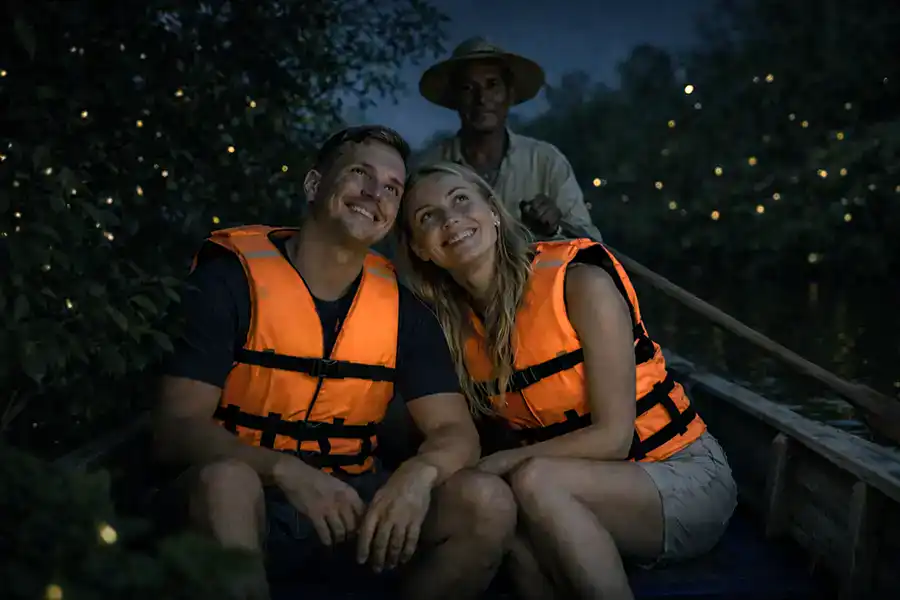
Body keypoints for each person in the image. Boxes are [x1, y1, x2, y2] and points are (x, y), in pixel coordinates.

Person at [152, 128, 516, 600]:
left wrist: (416, 477)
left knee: (486, 502)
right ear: (312, 186)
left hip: (353, 504)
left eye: (391, 188)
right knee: (225, 482)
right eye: (359, 174)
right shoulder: (230, 280)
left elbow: (455, 432)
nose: (374, 193)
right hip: (247, 501)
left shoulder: (403, 308)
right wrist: (283, 470)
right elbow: (175, 427)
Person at [396, 161, 738, 600]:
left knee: (532, 481)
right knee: (497, 508)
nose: (450, 219)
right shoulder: (449, 330)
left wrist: (496, 465)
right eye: (428, 217)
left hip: (680, 476)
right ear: (421, 249)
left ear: (494, 212)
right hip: (575, 490)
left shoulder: (580, 282)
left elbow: (614, 439)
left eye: (461, 199)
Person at [416, 36, 603, 242]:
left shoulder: (546, 162)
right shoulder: (430, 168)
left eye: (492, 85)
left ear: (510, 95)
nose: (482, 98)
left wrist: (555, 228)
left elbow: (592, 244)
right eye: (468, 88)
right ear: (455, 98)